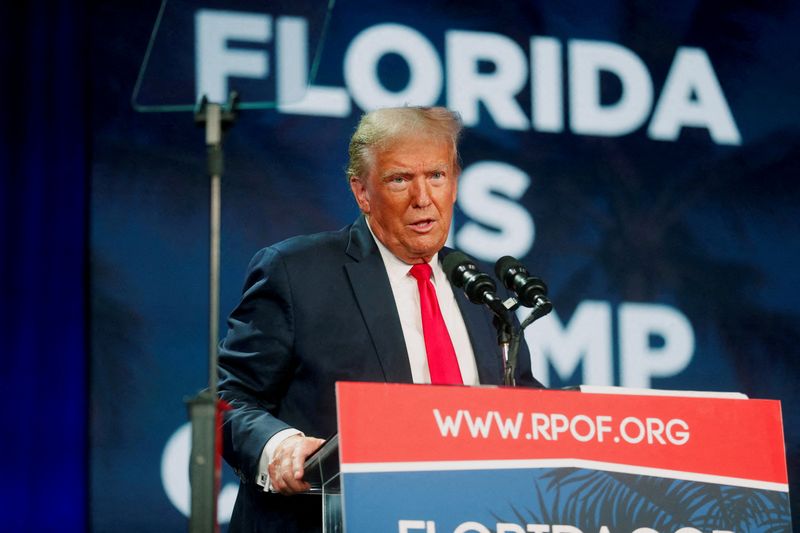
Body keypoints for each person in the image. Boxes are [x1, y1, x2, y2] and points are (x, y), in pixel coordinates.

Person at [218, 106, 543, 532]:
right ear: (362, 192)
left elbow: (526, 415)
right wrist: (278, 446)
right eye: (400, 179)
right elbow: (227, 400)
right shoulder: (297, 272)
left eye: (436, 176)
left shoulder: (479, 289)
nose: (422, 198)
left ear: (455, 184)